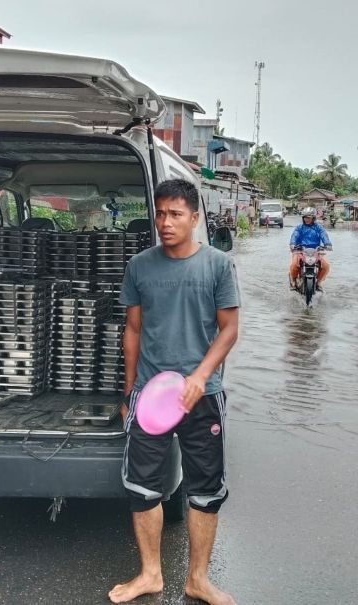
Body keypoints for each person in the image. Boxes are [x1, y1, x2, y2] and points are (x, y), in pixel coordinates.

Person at [111, 179, 240, 605]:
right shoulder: (140, 266)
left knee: (205, 490)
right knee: (143, 488)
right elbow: (132, 330)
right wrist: (129, 391)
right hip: (151, 396)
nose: (166, 223)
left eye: (176, 214)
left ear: (195, 218)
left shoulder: (218, 265)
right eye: (160, 214)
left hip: (202, 397)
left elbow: (229, 329)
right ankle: (150, 573)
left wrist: (202, 374)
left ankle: (197, 579)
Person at [288, 207, 332, 292]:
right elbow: (294, 235)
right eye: (305, 217)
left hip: (316, 250)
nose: (306, 219)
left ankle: (318, 283)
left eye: (308, 217)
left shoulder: (319, 228)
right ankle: (293, 282)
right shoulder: (299, 227)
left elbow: (324, 235)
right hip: (300, 250)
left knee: (326, 266)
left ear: (313, 218)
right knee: (294, 265)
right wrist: (292, 244)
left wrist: (327, 244)